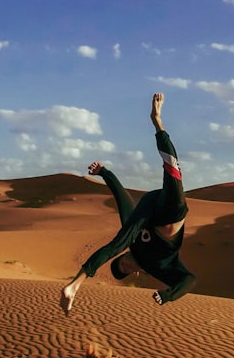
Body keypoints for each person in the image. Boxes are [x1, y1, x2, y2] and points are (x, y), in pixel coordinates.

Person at [60, 93, 198, 315]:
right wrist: (168, 295)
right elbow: (190, 280)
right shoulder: (158, 269)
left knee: (121, 239)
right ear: (134, 272)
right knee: (173, 173)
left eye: (122, 262)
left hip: (151, 205)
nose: (127, 263)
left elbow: (123, 201)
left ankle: (157, 121)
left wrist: (104, 172)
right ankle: (73, 286)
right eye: (125, 268)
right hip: (171, 214)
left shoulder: (133, 245)